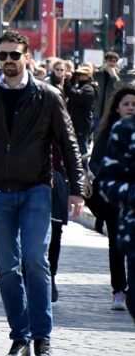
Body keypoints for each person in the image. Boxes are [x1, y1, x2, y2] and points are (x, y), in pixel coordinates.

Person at [0, 31, 84, 356]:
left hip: (36, 189)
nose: (9, 60)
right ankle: (20, 337)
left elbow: (68, 143)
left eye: (15, 54)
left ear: (27, 57)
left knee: (35, 260)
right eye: (3, 55)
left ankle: (42, 338)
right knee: (8, 268)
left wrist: (77, 189)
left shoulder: (48, 95)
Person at [89, 84, 135, 313]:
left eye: (134, 104)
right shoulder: (109, 133)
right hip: (116, 200)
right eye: (126, 104)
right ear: (117, 107)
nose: (130, 108)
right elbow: (96, 163)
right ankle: (119, 289)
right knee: (117, 245)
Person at [64, 64, 98, 158]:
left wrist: (67, 82)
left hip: (82, 124)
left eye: (81, 74)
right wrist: (72, 78)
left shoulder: (89, 88)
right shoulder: (80, 86)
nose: (78, 76)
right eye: (78, 74)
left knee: (82, 149)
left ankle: (85, 166)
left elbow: (74, 95)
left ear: (88, 76)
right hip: (76, 122)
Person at [94, 51, 120, 128]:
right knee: (97, 132)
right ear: (106, 61)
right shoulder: (98, 72)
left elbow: (119, 87)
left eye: (114, 61)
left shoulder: (118, 74)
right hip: (97, 110)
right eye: (110, 61)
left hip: (110, 110)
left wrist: (113, 75)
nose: (112, 63)